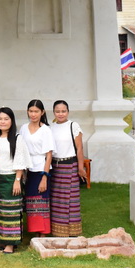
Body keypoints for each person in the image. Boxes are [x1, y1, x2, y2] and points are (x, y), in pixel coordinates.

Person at [0, 107, 29, 254]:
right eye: (0, 119)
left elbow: (20, 160)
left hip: (11, 178)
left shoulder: (17, 139)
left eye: (6, 119)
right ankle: (2, 239)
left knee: (11, 211)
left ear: (11, 121)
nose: (3, 122)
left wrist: (17, 180)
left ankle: (11, 243)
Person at [49, 100, 86, 237]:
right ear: (54, 112)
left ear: (68, 112)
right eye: (57, 111)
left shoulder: (73, 126)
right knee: (57, 200)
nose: (60, 114)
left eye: (63, 111)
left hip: (70, 165)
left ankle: (73, 231)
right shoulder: (50, 127)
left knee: (70, 200)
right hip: (55, 167)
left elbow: (79, 147)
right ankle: (58, 230)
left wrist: (80, 167)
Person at [19, 99, 53, 236]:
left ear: (42, 112)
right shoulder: (23, 128)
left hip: (40, 169)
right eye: (31, 111)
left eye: (36, 111)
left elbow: (49, 155)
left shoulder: (45, 130)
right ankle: (34, 231)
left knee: (41, 202)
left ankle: (43, 233)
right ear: (28, 112)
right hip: (27, 169)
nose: (33, 114)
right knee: (31, 202)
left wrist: (45, 177)